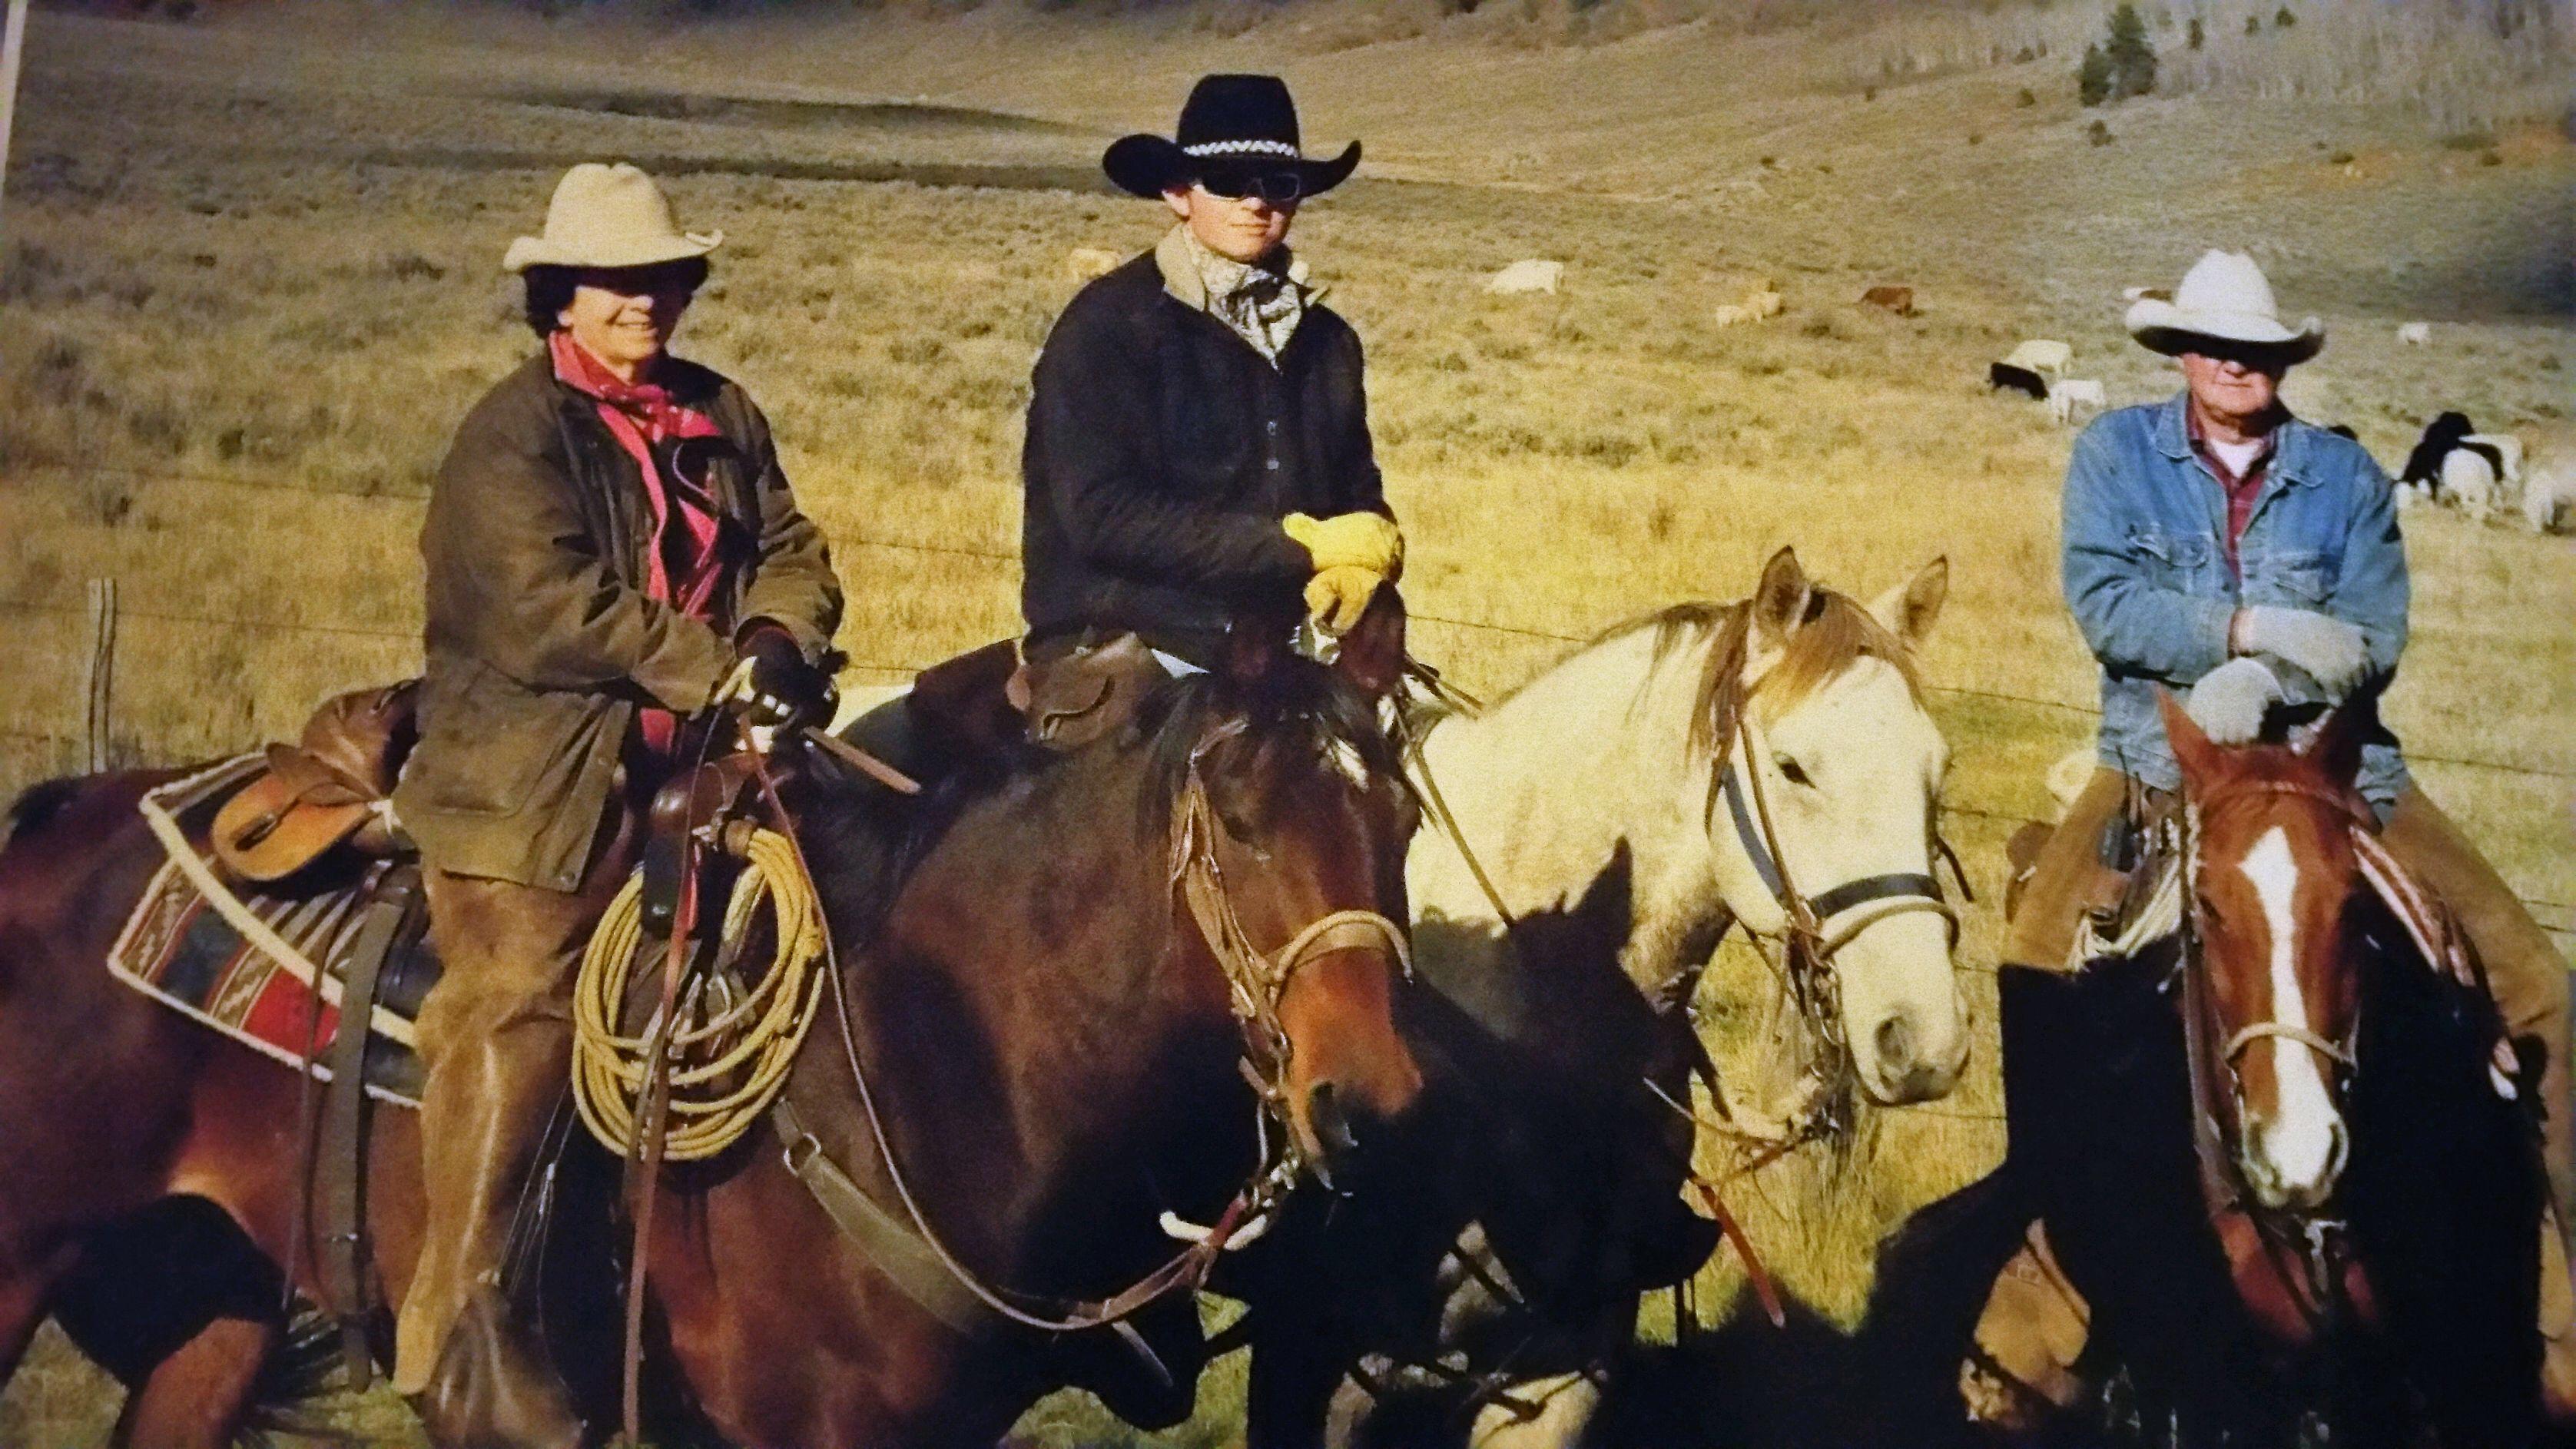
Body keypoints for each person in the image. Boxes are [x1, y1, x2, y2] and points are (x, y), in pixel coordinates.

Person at [1981, 247, 2574, 1411]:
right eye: (2210, 344)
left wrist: (2304, 675)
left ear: (2279, 361)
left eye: (2251, 349)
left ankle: (2562, 1319)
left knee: (2545, 989)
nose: (2230, 364)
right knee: (2032, 969)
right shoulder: (2113, 456)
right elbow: (2106, 599)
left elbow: (2375, 631)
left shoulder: (2343, 475)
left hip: (2338, 775)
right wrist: (2243, 630)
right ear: (2179, 354)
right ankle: (2041, 1300)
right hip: (2158, 760)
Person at [386, 161, 842, 1446]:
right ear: (559, 299)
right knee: (519, 990)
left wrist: (775, 639)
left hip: (712, 753)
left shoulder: (720, 410)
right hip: (542, 777)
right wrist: (716, 665)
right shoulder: (510, 436)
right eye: (612, 282)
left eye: (657, 278)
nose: (641, 302)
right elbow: (544, 606)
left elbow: (794, 548)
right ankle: (459, 1316)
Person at [1023, 72, 1399, 675]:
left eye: (1279, 184)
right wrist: (1299, 550)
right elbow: (1102, 514)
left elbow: (1356, 491)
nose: (1257, 203)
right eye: (1228, 183)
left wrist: (1362, 557)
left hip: (1293, 643)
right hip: (1135, 641)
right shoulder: (1108, 326)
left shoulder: (1329, 341)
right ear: (1178, 193)